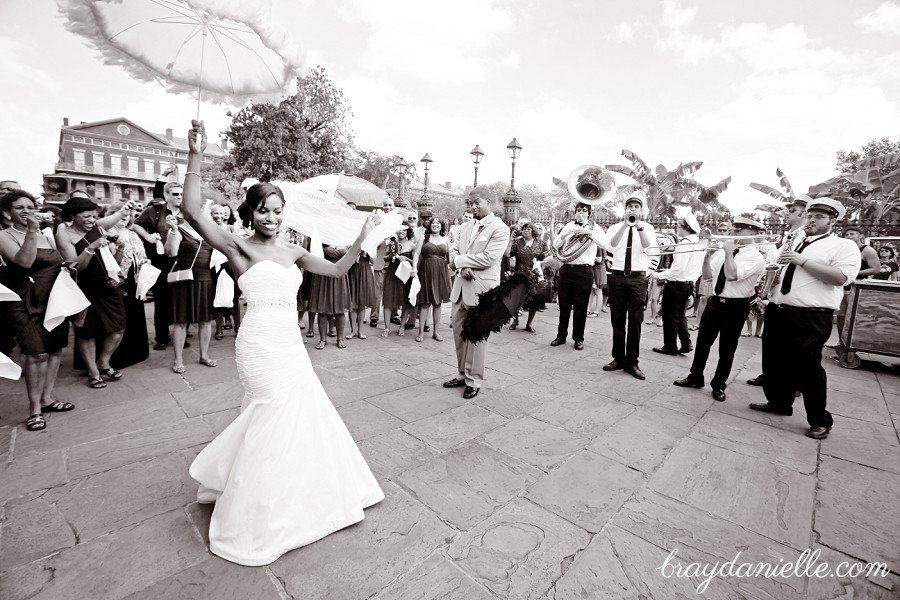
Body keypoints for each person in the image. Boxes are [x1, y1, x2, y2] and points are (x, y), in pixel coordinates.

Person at [181, 120, 383, 566]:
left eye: (277, 211)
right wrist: (196, 153)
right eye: (263, 210)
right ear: (250, 212)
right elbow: (193, 211)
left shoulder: (293, 251)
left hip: (290, 344)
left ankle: (295, 494)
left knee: (294, 414)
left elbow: (334, 271)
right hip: (258, 344)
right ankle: (255, 512)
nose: (272, 218)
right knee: (270, 411)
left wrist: (359, 241)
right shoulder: (238, 248)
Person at [749, 198, 861, 439]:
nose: (811, 220)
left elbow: (841, 278)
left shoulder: (843, 246)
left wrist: (803, 261)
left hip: (810, 315)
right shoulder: (795, 240)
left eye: (819, 217)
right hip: (780, 309)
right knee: (774, 361)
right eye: (810, 216)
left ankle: (820, 420)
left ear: (833, 221)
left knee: (808, 369)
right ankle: (779, 402)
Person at [0, 190, 74, 431]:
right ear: (6, 212)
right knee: (35, 354)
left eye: (30, 206)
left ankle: (48, 398)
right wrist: (32, 231)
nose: (27, 211)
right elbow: (24, 262)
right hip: (23, 301)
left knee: (54, 350)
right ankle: (34, 409)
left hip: (53, 299)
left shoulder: (47, 235)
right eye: (20, 207)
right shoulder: (4, 236)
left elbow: (60, 261)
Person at [673, 217, 766, 401]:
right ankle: (695, 376)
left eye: (740, 230)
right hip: (716, 303)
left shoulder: (755, 256)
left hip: (736, 306)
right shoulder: (725, 251)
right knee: (702, 343)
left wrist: (729, 253)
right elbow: (708, 276)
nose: (734, 232)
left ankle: (719, 385)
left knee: (727, 349)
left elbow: (732, 275)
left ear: (754, 234)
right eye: (735, 229)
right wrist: (707, 256)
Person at [56, 196, 134, 389]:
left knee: (118, 327)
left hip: (107, 284)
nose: (92, 220)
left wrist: (125, 210)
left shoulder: (97, 227)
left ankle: (104, 361)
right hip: (83, 287)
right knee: (87, 332)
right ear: (73, 216)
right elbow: (74, 266)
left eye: (94, 216)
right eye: (86, 217)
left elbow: (115, 216)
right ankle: (93, 371)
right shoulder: (65, 234)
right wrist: (90, 248)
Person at [443, 187, 510, 399]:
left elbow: (489, 258)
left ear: (489, 201)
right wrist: (462, 267)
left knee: (477, 338)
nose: (473, 207)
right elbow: (453, 250)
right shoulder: (464, 226)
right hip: (461, 287)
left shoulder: (500, 228)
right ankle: (462, 375)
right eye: (470, 203)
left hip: (482, 291)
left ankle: (475, 380)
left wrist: (461, 261)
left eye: (477, 202)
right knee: (459, 335)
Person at [746, 197, 808, 386]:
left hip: (792, 296)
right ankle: (770, 375)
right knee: (771, 343)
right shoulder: (789, 235)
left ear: (804, 213)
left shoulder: (805, 237)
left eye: (792, 210)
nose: (787, 213)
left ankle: (793, 382)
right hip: (776, 294)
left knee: (791, 346)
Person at [603, 190, 656, 380]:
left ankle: (632, 362)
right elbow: (612, 245)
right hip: (617, 277)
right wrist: (625, 226)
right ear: (624, 209)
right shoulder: (615, 227)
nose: (632, 209)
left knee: (635, 321)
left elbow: (647, 245)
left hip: (637, 279)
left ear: (641, 211)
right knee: (617, 320)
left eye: (636, 207)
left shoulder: (647, 227)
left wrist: (638, 226)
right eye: (630, 206)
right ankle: (618, 358)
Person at [549, 202, 608, 350]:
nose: (581, 212)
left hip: (584, 271)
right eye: (578, 210)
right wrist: (564, 236)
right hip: (567, 269)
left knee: (581, 307)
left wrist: (589, 233)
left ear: (589, 213)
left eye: (584, 210)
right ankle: (561, 336)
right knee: (564, 306)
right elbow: (556, 245)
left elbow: (604, 244)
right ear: (574, 213)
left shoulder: (595, 228)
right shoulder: (568, 226)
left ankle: (578, 338)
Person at [133, 174, 181, 351]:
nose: (179, 198)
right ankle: (162, 336)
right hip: (161, 260)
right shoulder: (155, 211)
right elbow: (136, 225)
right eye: (175, 194)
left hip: (182, 259)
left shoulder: (187, 213)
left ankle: (180, 333)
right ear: (166, 195)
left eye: (181, 194)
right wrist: (147, 236)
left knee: (179, 298)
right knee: (162, 298)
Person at [164, 212, 217, 372]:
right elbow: (171, 253)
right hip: (185, 280)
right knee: (181, 320)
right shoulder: (178, 230)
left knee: (206, 320)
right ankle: (178, 359)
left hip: (206, 279)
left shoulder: (207, 230)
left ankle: (204, 355)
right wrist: (173, 229)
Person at [652, 213, 703, 355]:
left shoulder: (684, 244)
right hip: (688, 284)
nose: (677, 228)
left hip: (677, 284)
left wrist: (658, 274)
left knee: (669, 315)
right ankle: (686, 343)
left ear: (686, 228)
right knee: (680, 314)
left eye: (679, 226)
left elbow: (677, 270)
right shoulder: (697, 244)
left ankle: (670, 346)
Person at [834, 225, 880, 349]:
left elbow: (876, 269)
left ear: (860, 236)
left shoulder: (867, 250)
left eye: (852, 234)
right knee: (841, 316)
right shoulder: (844, 250)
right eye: (846, 234)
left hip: (856, 289)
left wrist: (853, 273)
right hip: (842, 287)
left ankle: (855, 345)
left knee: (855, 317)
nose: (849, 236)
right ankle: (841, 343)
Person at [413, 216, 451, 342]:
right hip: (426, 271)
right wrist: (414, 268)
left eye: (438, 223)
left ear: (441, 226)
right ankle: (421, 333)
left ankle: (436, 332)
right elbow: (417, 253)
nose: (435, 225)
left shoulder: (446, 239)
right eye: (433, 223)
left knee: (437, 303)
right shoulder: (424, 238)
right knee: (425, 302)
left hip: (440, 272)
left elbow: (449, 258)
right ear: (430, 226)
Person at [507, 221, 549, 333]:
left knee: (533, 301)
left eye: (528, 229)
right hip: (518, 274)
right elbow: (507, 254)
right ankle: (515, 321)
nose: (525, 230)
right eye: (524, 229)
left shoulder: (540, 243)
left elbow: (549, 255)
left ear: (533, 231)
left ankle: (529, 324)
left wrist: (541, 263)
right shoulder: (517, 242)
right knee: (515, 299)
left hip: (534, 275)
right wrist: (510, 240)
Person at [381, 226, 416, 336]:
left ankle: (402, 327)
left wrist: (406, 259)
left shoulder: (411, 245)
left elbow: (415, 261)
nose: (402, 232)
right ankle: (387, 328)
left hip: (405, 275)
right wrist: (391, 255)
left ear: (407, 231)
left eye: (404, 230)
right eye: (400, 229)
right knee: (388, 300)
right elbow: (384, 258)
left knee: (405, 301)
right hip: (392, 273)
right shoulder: (392, 243)